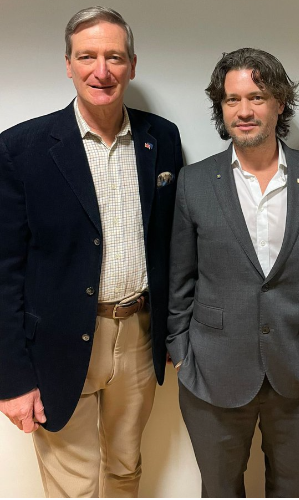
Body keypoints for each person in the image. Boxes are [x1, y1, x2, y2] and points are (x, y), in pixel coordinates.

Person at [0, 6, 182, 498]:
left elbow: (172, 240)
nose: (101, 70)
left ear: (132, 65)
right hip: (57, 343)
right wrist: (12, 378)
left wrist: (174, 330)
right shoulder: (22, 148)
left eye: (114, 57)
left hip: (140, 337)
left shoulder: (161, 138)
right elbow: (4, 271)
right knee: (73, 485)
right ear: (68, 65)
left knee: (125, 469)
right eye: (88, 56)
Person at [167, 47, 299, 498]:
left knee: (293, 490)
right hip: (211, 369)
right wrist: (180, 349)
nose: (244, 111)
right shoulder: (194, 181)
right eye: (232, 100)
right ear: (221, 107)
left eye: (257, 97)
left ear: (280, 103)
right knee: (219, 489)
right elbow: (180, 277)